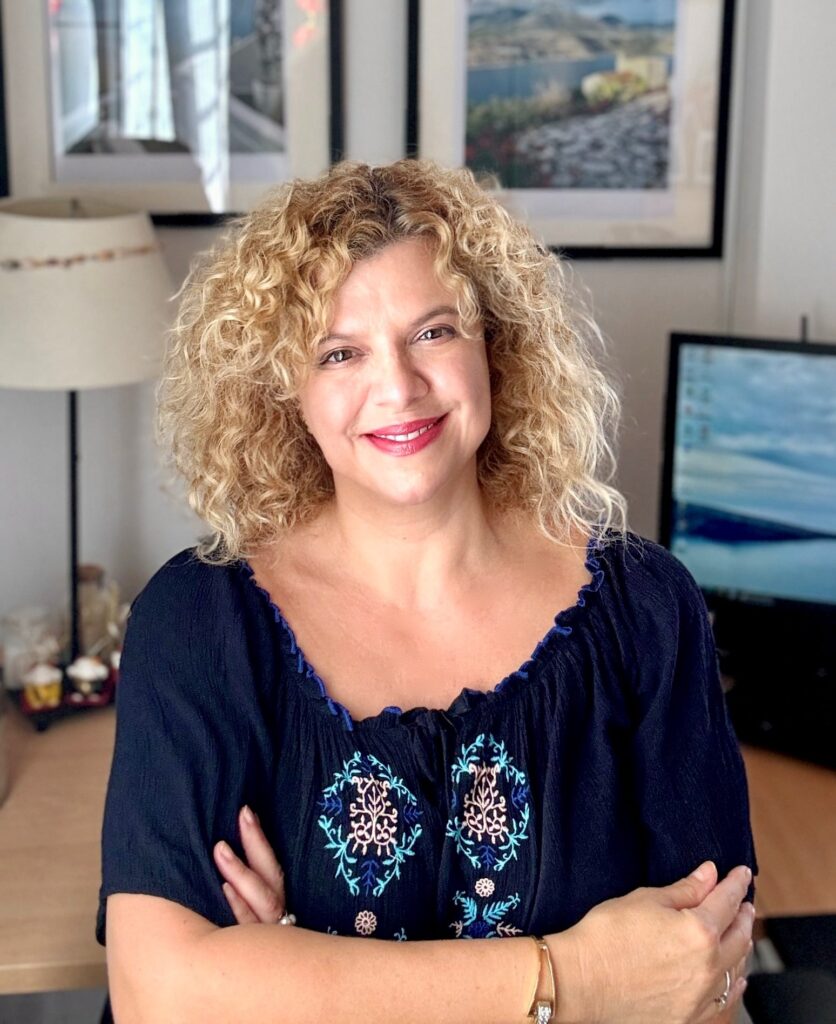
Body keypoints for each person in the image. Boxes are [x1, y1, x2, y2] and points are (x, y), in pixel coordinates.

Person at [97, 159, 758, 1023]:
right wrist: (578, 978)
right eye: (340, 352)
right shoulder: (198, 621)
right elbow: (158, 997)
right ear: (285, 389)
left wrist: (285, 974)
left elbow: (707, 977)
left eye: (435, 332)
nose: (399, 388)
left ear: (495, 344)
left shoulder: (645, 608)